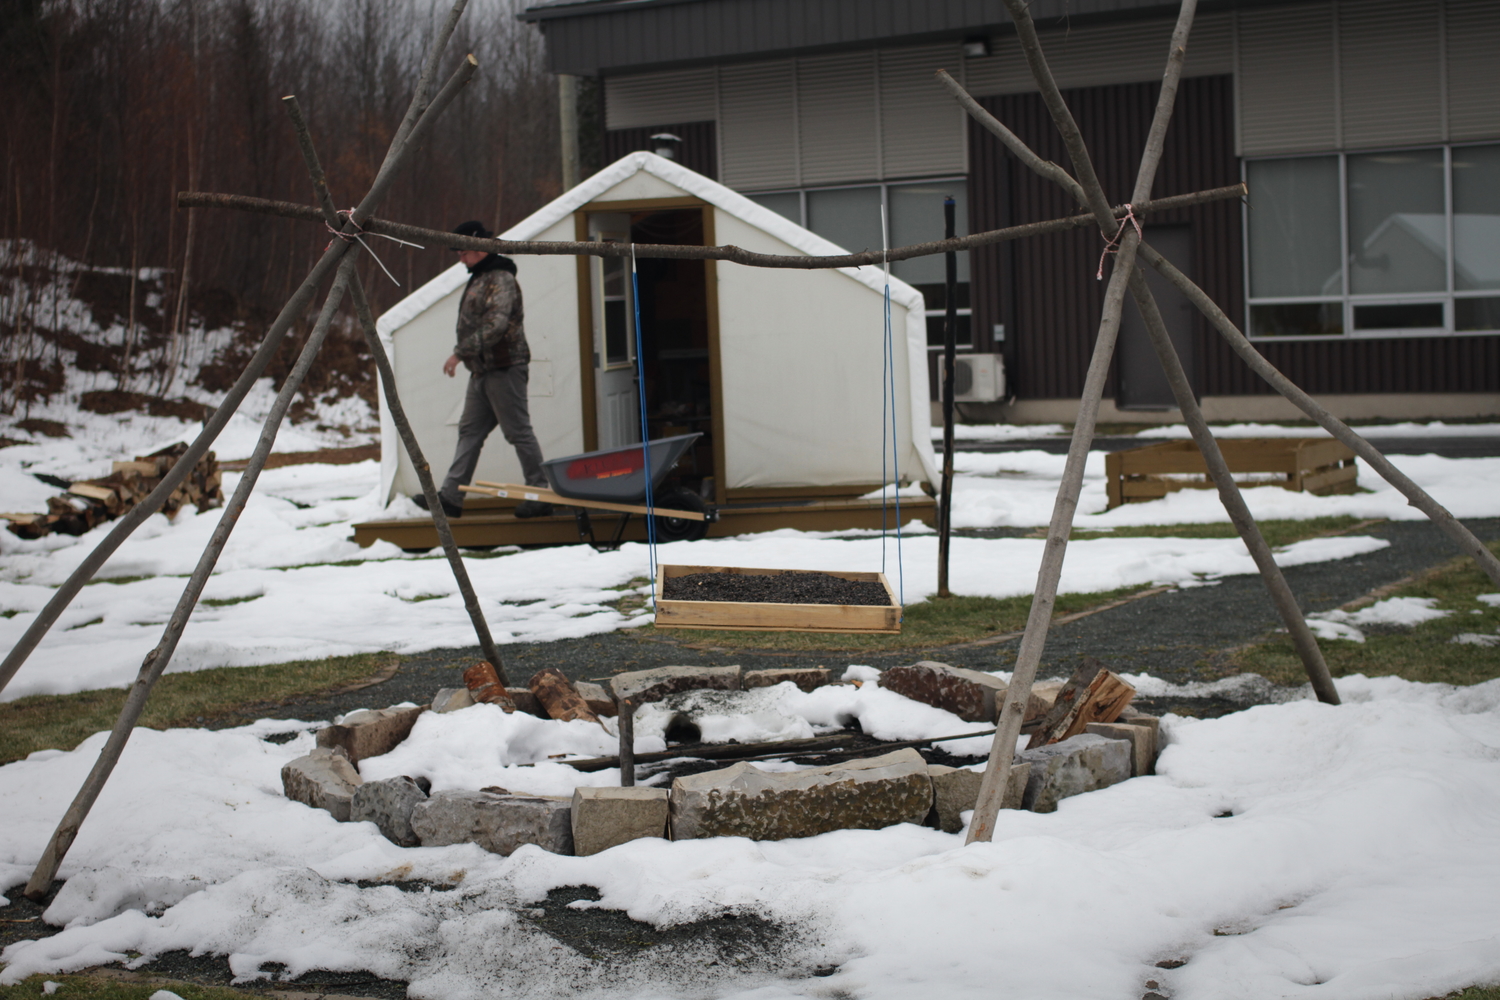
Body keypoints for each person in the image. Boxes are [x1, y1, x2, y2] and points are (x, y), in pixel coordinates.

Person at [413, 220, 553, 519]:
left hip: (504, 368)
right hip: (483, 371)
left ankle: (540, 493)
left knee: (518, 431)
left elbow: (496, 325)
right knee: (470, 432)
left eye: (463, 251)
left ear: (478, 247)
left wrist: (459, 354)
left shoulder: (500, 278)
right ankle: (451, 497)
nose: (460, 258)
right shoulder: (480, 276)